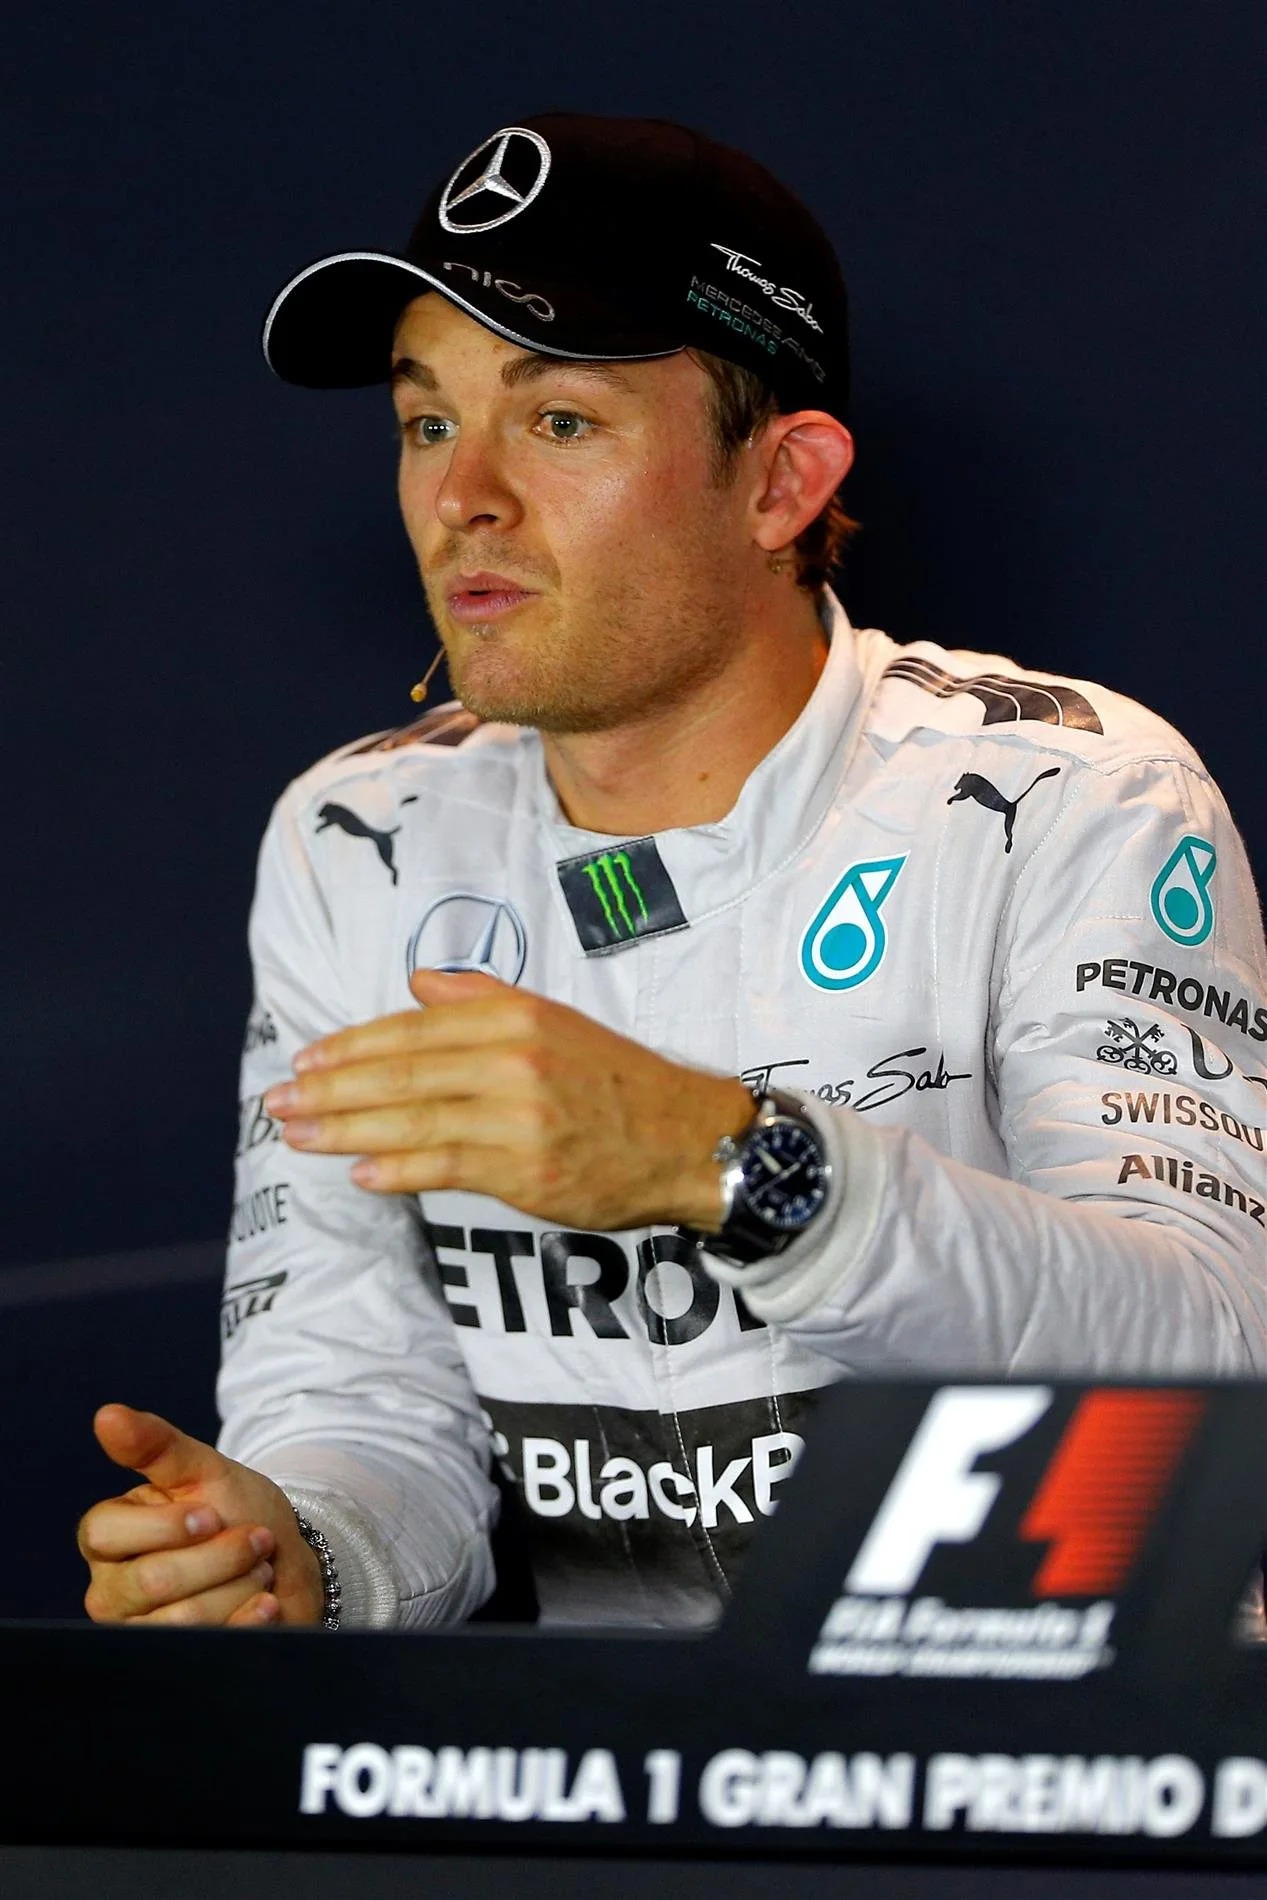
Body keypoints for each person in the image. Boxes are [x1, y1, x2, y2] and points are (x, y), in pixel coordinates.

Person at [79, 113, 1267, 1635]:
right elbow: (359, 1400)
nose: (463, 500)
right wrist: (298, 1558)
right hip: (632, 1799)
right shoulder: (356, 836)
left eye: (558, 421)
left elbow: (1218, 1368)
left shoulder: (1066, 789)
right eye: (427, 421)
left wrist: (736, 1166)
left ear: (779, 484)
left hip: (1054, 1790)